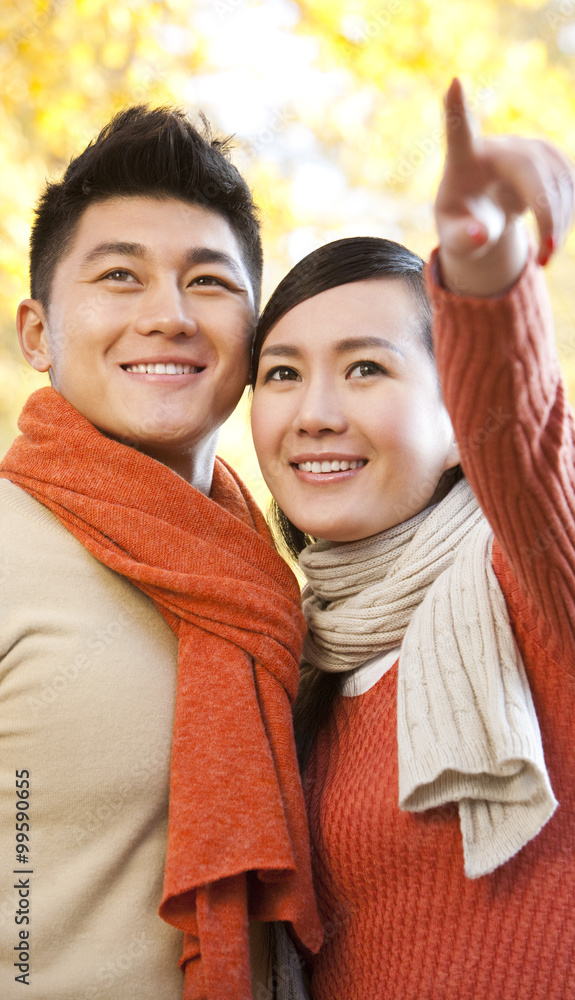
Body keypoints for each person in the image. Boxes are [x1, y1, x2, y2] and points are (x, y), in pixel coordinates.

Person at [250, 79, 575, 999]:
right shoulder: (295, 661)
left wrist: (485, 265)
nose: (314, 412)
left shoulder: (550, 594)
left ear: (454, 417)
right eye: (281, 373)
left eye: (366, 367)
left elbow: (522, 439)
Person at [0, 106, 322, 1000]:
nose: (168, 316)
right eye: (119, 276)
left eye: (209, 281)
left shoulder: (275, 582)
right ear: (37, 333)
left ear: (255, 334)